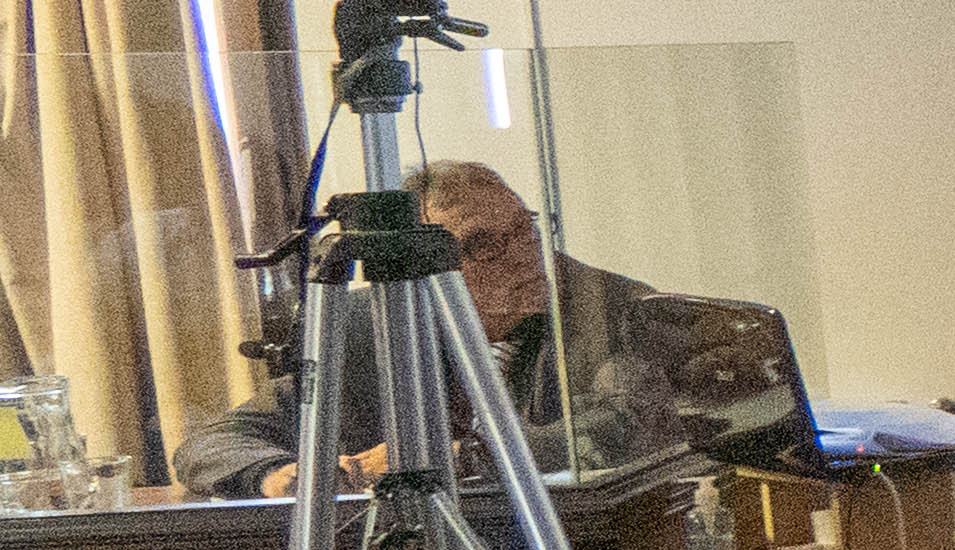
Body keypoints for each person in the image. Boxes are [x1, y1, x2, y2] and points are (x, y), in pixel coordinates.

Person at [171, 161, 659, 497]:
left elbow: (621, 427)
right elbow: (211, 443)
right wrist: (280, 476)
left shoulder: (610, 309)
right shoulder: (370, 327)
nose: (524, 254)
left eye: (524, 228)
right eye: (483, 245)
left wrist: (455, 458)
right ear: (422, 265)